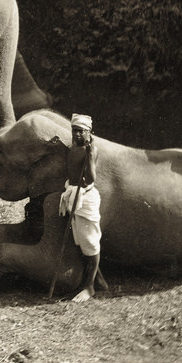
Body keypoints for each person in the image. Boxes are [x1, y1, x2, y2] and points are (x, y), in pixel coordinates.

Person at [59, 113, 101, 302]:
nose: (76, 134)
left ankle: (90, 287)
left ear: (89, 132)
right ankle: (99, 280)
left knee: (90, 242)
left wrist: (90, 156)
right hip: (73, 196)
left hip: (86, 197)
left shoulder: (90, 150)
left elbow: (91, 178)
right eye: (74, 130)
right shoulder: (74, 147)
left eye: (81, 131)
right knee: (81, 241)